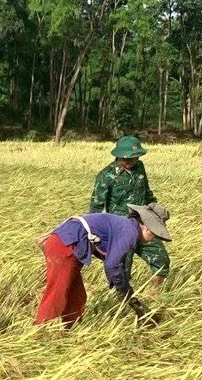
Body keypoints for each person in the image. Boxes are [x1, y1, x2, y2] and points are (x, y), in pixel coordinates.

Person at [35, 203, 171, 328]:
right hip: (65, 245)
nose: (153, 240)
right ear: (148, 229)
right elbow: (112, 264)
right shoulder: (130, 233)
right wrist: (123, 289)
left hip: (68, 244)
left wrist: (122, 288)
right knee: (58, 291)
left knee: (77, 295)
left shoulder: (126, 226)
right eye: (155, 235)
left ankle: (70, 329)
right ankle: (41, 330)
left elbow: (112, 261)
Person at [89, 135, 168, 289]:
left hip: (144, 224)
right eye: (128, 159)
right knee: (121, 270)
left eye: (135, 158)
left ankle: (154, 294)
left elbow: (146, 192)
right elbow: (96, 207)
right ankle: (120, 305)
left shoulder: (140, 167)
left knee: (161, 260)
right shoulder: (106, 176)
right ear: (118, 156)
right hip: (121, 229)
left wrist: (155, 209)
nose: (132, 162)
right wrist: (96, 234)